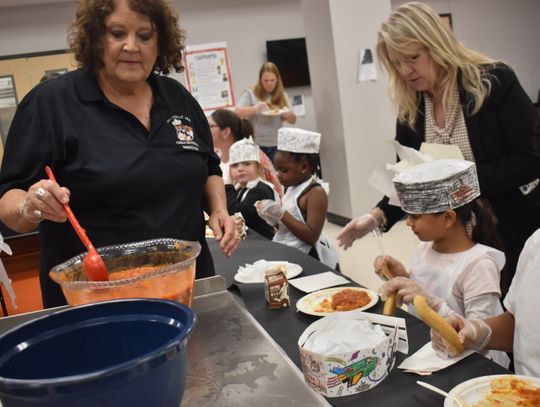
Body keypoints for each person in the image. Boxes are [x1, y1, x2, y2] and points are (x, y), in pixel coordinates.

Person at [0, 0, 238, 308]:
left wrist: (219, 209)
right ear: (96, 38)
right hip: (95, 300)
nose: (131, 46)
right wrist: (30, 206)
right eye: (117, 33)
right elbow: (8, 199)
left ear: (160, 43)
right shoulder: (51, 105)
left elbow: (208, 166)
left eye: (144, 35)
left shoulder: (178, 99)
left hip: (184, 288)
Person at [337, 2, 540, 297]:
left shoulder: (494, 81)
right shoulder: (412, 107)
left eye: (413, 58)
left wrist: (459, 183)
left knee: (515, 320)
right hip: (454, 241)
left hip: (512, 229)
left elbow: (529, 160)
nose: (405, 70)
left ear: (436, 44)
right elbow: (408, 178)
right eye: (397, 63)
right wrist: (376, 217)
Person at [376, 159, 508, 367]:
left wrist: (432, 303)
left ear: (447, 217)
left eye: (415, 216)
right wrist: (404, 278)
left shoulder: (479, 265)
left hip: (468, 365)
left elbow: (480, 337)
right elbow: (428, 289)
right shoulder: (424, 249)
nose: (408, 223)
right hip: (429, 353)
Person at [431, 228, 540, 377]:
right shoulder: (536, 243)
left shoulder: (480, 263)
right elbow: (523, 328)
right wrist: (475, 331)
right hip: (524, 390)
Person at [256, 128, 339, 269]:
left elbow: (311, 237)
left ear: (304, 167)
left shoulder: (316, 193)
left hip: (309, 256)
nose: (279, 175)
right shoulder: (290, 187)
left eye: (284, 170)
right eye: (277, 170)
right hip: (289, 250)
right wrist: (272, 218)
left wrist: (282, 214)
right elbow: (289, 227)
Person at [209, 109, 283, 196]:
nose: (205, 130)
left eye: (211, 126)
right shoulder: (213, 156)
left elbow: (269, 193)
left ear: (226, 132)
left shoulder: (253, 154)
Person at [235, 62, 297, 163]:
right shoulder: (250, 93)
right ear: (260, 80)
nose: (269, 83)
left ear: (277, 79)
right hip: (257, 144)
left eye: (272, 80)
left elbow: (293, 120)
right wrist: (254, 109)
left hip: (277, 144)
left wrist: (287, 114)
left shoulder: (282, 95)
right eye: (266, 80)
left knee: (276, 176)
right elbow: (237, 112)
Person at [225, 137, 278, 240]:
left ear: (258, 167)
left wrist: (228, 186)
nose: (240, 169)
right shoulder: (239, 189)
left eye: (247, 164)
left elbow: (238, 215)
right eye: (235, 165)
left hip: (263, 242)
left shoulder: (261, 190)